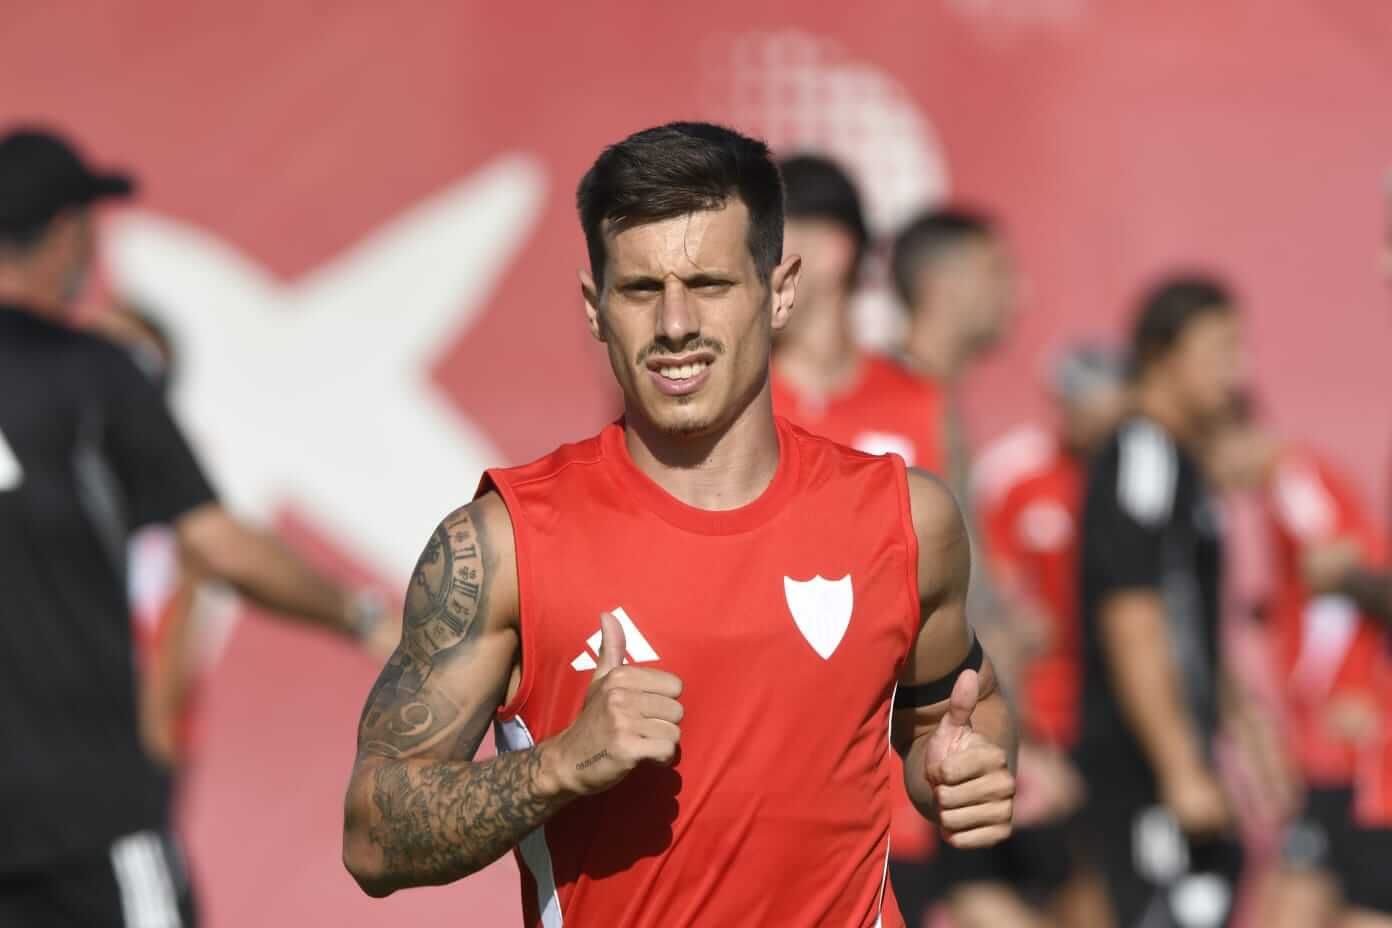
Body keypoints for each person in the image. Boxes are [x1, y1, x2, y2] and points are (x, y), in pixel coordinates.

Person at [342, 122, 1019, 927]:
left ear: (781, 290)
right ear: (595, 308)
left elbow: (953, 708)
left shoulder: (906, 518)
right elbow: (373, 838)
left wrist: (962, 770)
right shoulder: (503, 544)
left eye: (709, 284)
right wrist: (560, 765)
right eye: (639, 289)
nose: (674, 325)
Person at [0, 126, 393, 927]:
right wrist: (364, 616)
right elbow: (217, 544)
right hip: (86, 817)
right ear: (69, 230)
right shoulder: (93, 373)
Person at [1075, 275, 1246, 927]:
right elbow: (1133, 616)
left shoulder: (1181, 460)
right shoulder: (1143, 453)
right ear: (1161, 356)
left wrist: (1244, 732)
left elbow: (1190, 620)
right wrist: (1179, 768)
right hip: (1138, 764)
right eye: (1219, 349)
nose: (1235, 370)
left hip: (1178, 755)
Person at [953, 344, 1127, 928]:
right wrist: (1025, 731)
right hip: (1035, 711)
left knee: (1090, 879)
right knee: (1001, 877)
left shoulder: (1129, 479)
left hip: (1102, 714)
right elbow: (984, 592)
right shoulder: (1016, 473)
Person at [1207, 392, 1391, 927]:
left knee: (1306, 905)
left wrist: (1322, 694)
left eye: (1207, 454)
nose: (1211, 474)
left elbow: (1332, 574)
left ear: (1233, 437)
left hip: (1340, 740)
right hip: (1339, 743)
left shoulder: (1294, 479)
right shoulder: (1286, 489)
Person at [769, 154, 946, 472]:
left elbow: (954, 502)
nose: (750, 270)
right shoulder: (731, 408)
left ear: (831, 252)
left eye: (768, 247)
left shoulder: (923, 404)